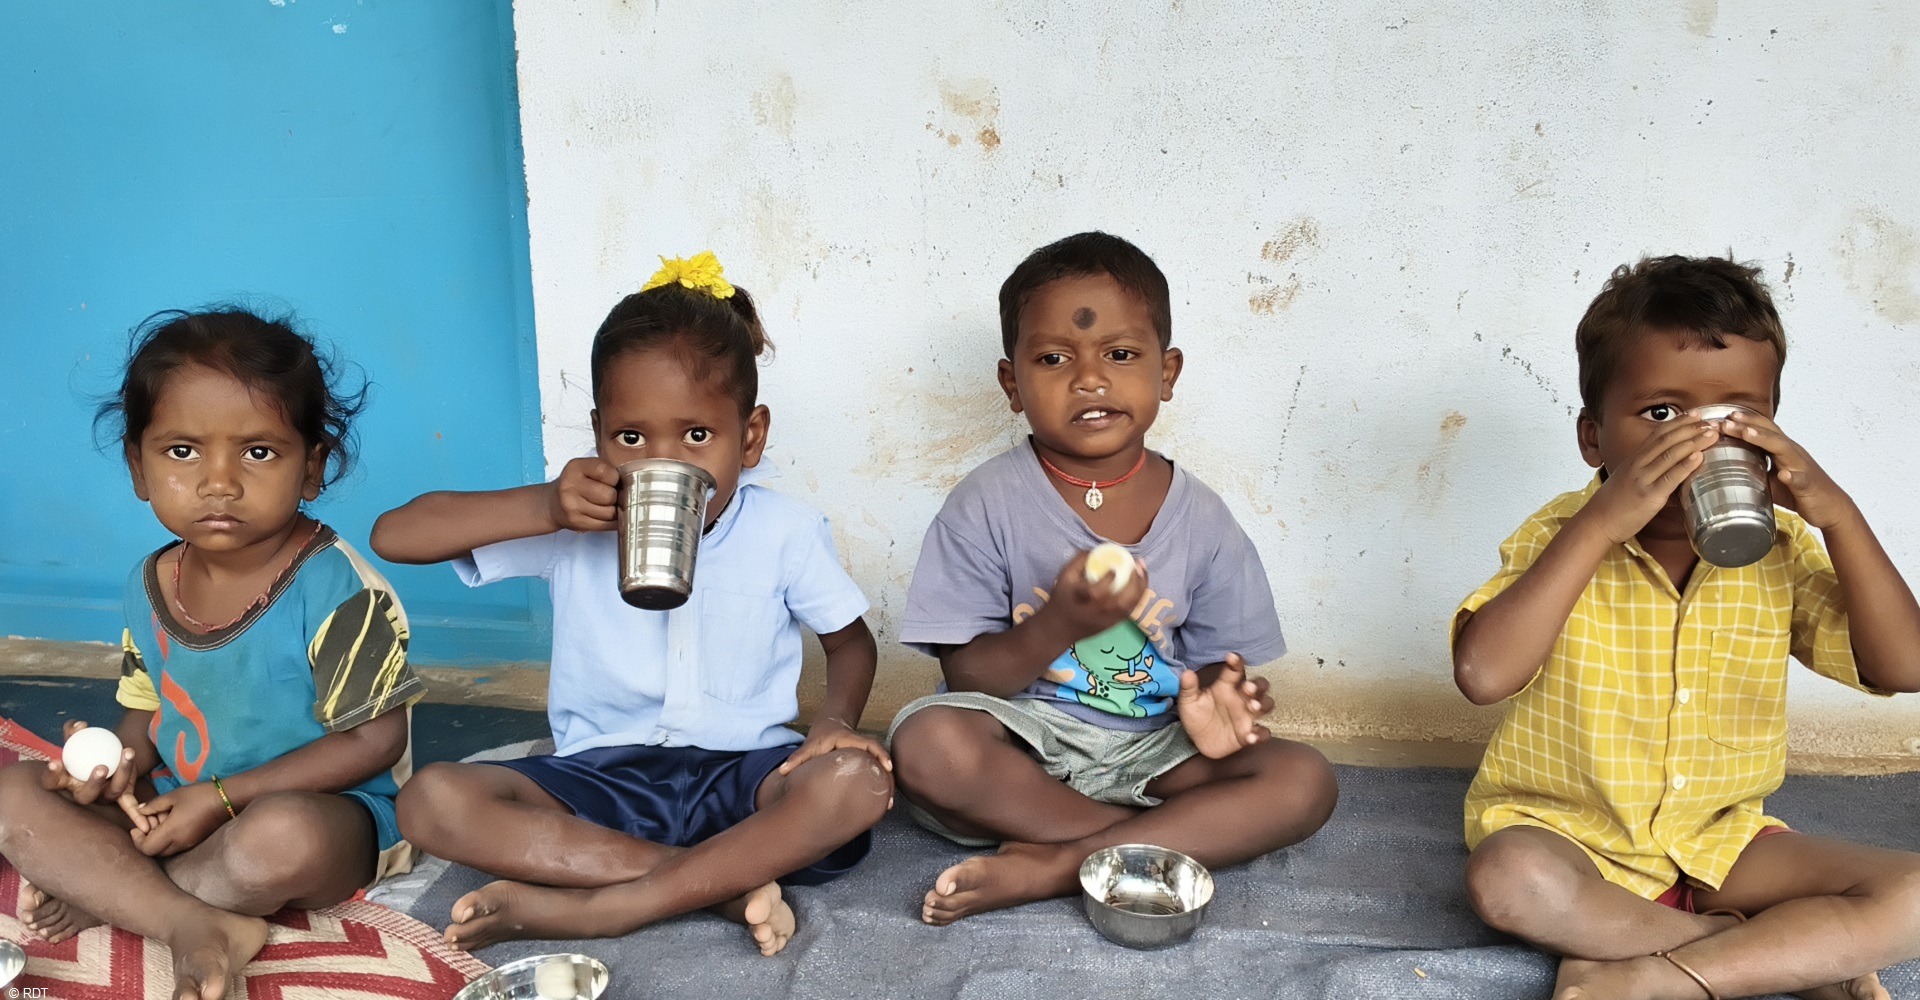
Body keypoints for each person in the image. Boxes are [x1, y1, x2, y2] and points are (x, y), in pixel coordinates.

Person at [374, 252, 891, 956]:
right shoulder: (572, 520)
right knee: (431, 800)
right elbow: (395, 535)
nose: (662, 458)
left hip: (746, 776)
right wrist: (541, 504)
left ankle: (604, 909)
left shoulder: (785, 532)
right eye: (630, 437)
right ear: (597, 433)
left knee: (856, 783)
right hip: (597, 780)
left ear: (753, 434)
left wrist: (833, 723)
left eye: (698, 436)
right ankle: (714, 885)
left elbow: (851, 643)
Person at [1453, 256, 1920, 1000]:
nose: (1698, 445)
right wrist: (1601, 523)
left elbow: (1906, 665)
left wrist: (1837, 514)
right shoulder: (1559, 536)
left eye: (1733, 416)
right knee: (1507, 878)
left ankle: (1646, 973)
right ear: (1593, 438)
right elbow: (1483, 676)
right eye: (1662, 414)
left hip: (1720, 841)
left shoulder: (1780, 552)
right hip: (1571, 836)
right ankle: (1771, 956)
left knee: (1917, 894)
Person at [887, 232, 1338, 925]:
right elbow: (971, 677)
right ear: (1012, 384)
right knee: (927, 742)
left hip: (1152, 751)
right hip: (1022, 747)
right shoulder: (983, 504)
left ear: (1167, 372)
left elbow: (1219, 666)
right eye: (1053, 359)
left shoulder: (1204, 518)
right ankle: (1131, 845)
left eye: (1121, 355)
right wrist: (1061, 623)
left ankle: (1057, 863)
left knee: (1303, 780)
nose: (1089, 379)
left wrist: (1222, 702)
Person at [0, 308, 424, 1000]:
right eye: (182, 452)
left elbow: (377, 739)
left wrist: (223, 799)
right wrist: (112, 766)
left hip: (328, 812)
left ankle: (119, 896)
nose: (218, 482)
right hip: (182, 803)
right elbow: (146, 719)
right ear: (139, 466)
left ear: (313, 466)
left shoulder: (336, 587)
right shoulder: (150, 582)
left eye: (258, 452)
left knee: (277, 839)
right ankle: (187, 919)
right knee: (15, 791)